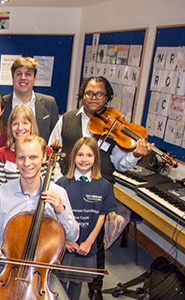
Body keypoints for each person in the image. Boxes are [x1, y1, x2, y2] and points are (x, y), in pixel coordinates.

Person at [49, 76, 151, 299]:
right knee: (64, 234)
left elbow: (120, 163)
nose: (93, 98)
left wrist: (135, 154)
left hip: (97, 190)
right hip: (68, 188)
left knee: (95, 240)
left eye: (99, 94)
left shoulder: (117, 126)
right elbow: (53, 149)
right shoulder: (66, 119)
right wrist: (58, 184)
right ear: (82, 95)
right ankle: (57, 282)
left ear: (107, 97)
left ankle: (95, 286)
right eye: (89, 93)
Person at [0, 135, 78, 299]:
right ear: (15, 159)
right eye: (21, 157)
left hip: (40, 275)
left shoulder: (58, 193)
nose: (26, 163)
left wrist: (61, 210)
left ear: (44, 158)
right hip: (3, 268)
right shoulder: (1, 193)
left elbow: (74, 235)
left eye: (33, 157)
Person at [55, 137, 117, 299]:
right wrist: (65, 241)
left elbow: (101, 216)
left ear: (95, 158)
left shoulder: (104, 186)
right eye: (80, 155)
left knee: (76, 283)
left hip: (86, 245)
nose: (84, 159)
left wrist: (89, 241)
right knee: (59, 283)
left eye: (89, 155)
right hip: (65, 244)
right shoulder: (62, 184)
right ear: (73, 157)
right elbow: (55, 216)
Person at [2, 56, 59, 141]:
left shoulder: (49, 103)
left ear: (35, 79)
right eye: (18, 74)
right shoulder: (1, 103)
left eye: (28, 74)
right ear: (13, 78)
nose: (23, 78)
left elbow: (55, 138)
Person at [0, 105, 39, 184]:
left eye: (25, 123)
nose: (20, 128)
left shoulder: (45, 151)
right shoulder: (2, 153)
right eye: (15, 124)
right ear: (10, 127)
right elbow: (0, 186)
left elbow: (50, 184)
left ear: (32, 125)